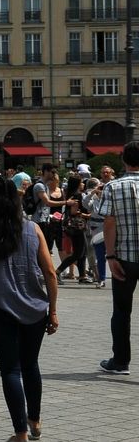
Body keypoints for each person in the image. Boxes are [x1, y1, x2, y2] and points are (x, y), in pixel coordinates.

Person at [0, 176, 59, 442]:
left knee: (10, 370)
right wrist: (53, 310)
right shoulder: (33, 229)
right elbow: (50, 272)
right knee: (31, 365)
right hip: (35, 307)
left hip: (0, 308)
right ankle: (35, 419)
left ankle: (20, 433)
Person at [100, 141, 139, 376]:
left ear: (123, 160)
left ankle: (121, 361)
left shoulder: (113, 186)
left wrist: (110, 255)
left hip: (124, 257)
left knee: (122, 311)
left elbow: (109, 222)